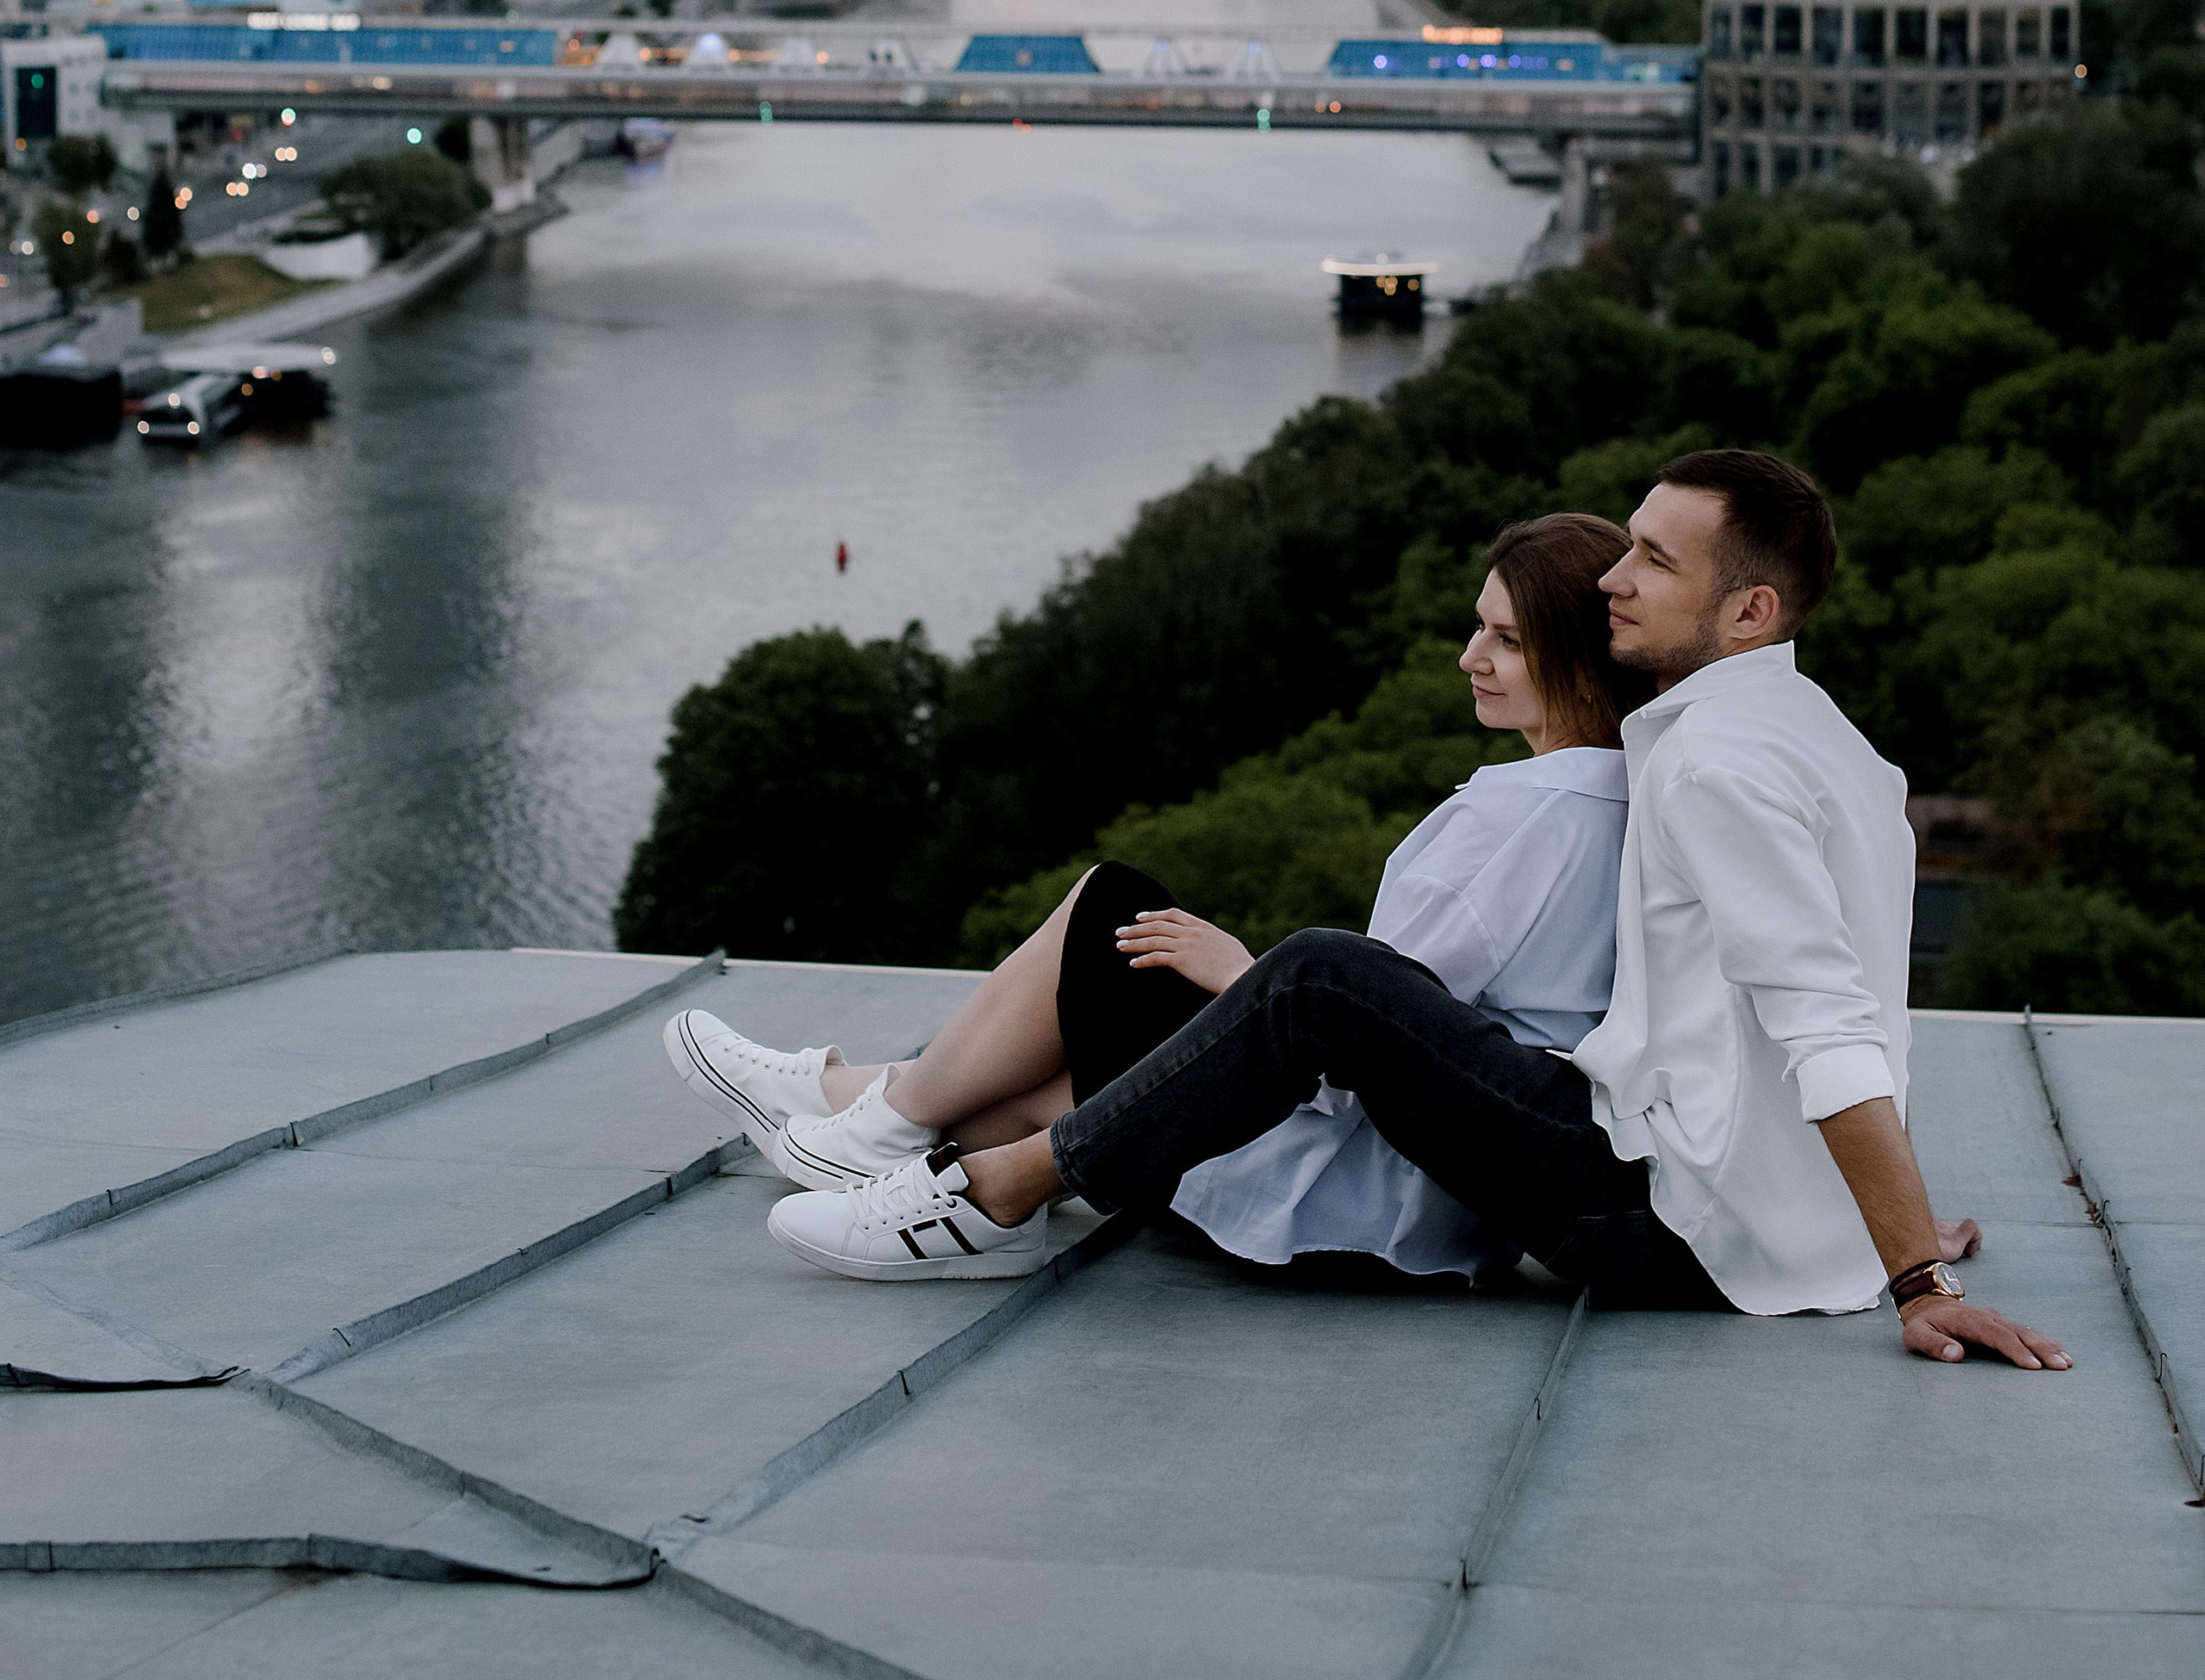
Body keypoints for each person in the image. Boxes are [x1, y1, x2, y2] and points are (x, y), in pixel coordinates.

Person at [761, 449, 2068, 1374]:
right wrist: (1854, 1218)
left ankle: (985, 1190)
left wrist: (1914, 1274)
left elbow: (1828, 1022)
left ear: (1749, 609)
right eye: (1626, 542)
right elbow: (1865, 1001)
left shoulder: (1715, 764)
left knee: (1325, 975)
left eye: (1654, 559)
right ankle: (901, 1120)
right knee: (1313, 983)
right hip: (1710, 1197)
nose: (1614, 576)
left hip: (1652, 1212)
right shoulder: (1833, 746)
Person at [664, 511, 1645, 1282]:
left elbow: (1381, 1055)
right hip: (1442, 1218)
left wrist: (1243, 975)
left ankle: (868, 1115)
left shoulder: (1520, 820)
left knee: (1110, 914)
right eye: (1478, 626)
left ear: (1578, 659)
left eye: (1505, 639)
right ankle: (848, 1102)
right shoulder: (1622, 804)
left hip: (1348, 1202)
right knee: (1055, 1050)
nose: (1470, 656)